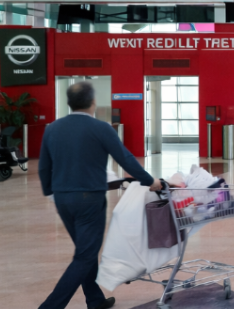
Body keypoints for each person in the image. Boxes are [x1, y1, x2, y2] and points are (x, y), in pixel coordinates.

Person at [38, 81, 162, 309]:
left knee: (85, 250)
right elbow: (125, 160)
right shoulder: (101, 128)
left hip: (63, 198)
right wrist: (150, 181)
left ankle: (95, 300)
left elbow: (44, 167)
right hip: (89, 199)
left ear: (69, 103)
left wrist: (51, 192)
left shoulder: (52, 128)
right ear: (93, 102)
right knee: (85, 255)